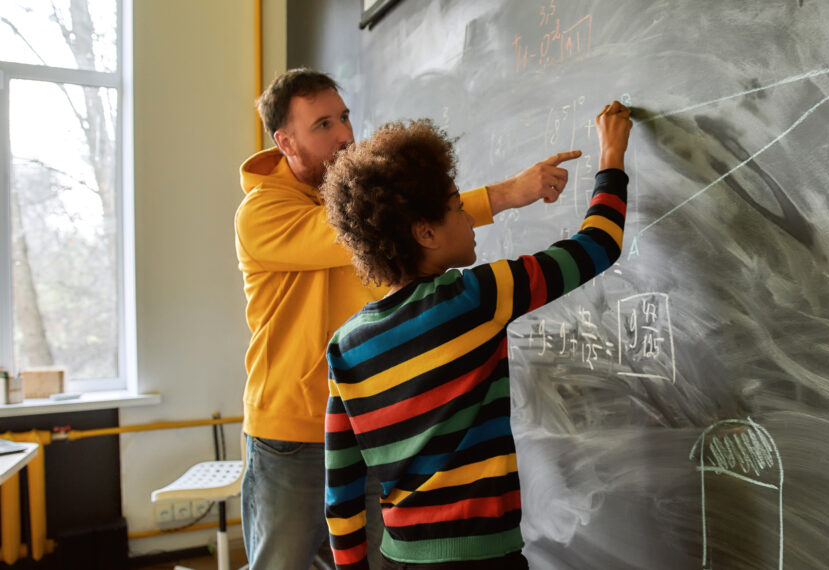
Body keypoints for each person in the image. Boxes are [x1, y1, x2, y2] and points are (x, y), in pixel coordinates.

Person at [235, 68, 581, 569]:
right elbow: (350, 231)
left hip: (369, 425)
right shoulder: (261, 213)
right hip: (290, 434)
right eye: (323, 125)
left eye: (345, 117)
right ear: (285, 141)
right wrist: (506, 194)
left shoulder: (354, 196)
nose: (345, 135)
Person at [321, 101, 632, 569]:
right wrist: (611, 155)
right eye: (456, 208)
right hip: (482, 559)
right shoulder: (474, 297)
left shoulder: (345, 346)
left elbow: (341, 493)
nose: (470, 218)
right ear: (425, 232)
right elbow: (597, 246)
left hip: (398, 558)